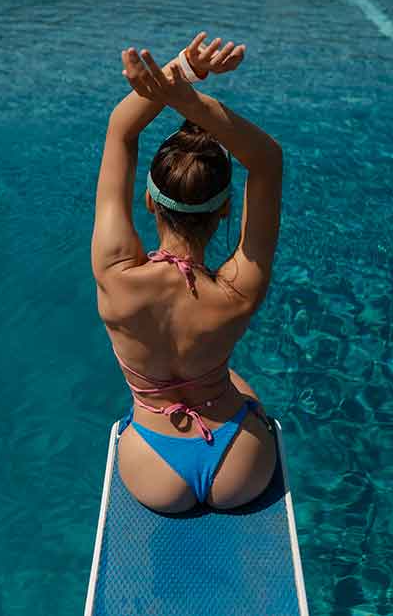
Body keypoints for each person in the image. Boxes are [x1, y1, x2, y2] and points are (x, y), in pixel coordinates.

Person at [92, 32, 282, 514]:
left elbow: (121, 131)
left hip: (153, 468)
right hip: (240, 465)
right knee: (238, 382)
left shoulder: (116, 274)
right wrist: (189, 100)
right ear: (223, 213)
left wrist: (180, 73)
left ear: (150, 200)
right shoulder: (239, 287)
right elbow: (266, 161)